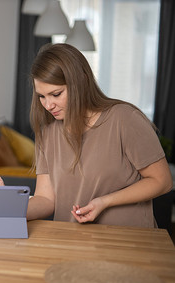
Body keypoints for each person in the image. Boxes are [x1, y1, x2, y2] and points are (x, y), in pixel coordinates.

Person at [26, 43, 173, 227]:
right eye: (42, 96)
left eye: (56, 94)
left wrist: (105, 202)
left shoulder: (124, 119)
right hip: (71, 244)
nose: (48, 105)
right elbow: (46, 199)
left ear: (81, 81)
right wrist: (11, 211)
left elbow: (163, 181)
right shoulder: (48, 132)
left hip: (130, 243)